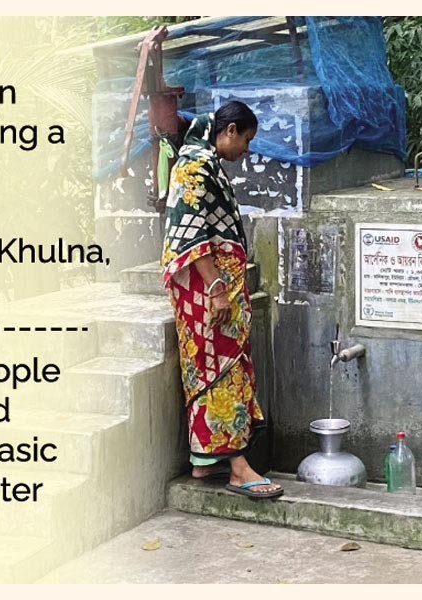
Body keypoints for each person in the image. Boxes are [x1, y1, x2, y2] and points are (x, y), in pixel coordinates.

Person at [161, 100, 283, 499]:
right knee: (220, 371)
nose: (245, 150)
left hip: (215, 286)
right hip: (207, 289)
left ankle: (204, 460)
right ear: (229, 131)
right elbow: (192, 236)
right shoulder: (193, 166)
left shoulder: (204, 162)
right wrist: (215, 288)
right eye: (245, 140)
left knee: (211, 367)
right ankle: (237, 468)